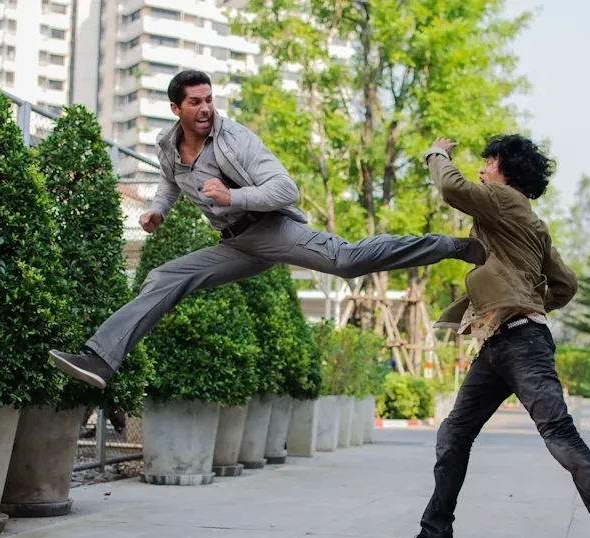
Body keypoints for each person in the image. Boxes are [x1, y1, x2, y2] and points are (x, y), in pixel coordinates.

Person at [48, 70, 486, 389]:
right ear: (176, 109)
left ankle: (451, 246)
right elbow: (169, 184)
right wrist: (158, 211)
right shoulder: (168, 146)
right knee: (164, 277)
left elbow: (285, 189)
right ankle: (101, 359)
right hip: (236, 244)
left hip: (271, 228)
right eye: (195, 102)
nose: (205, 109)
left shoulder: (235, 139)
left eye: (209, 100)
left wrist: (232, 197)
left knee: (347, 261)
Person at [386, 135, 590, 538]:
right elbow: (565, 284)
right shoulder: (532, 221)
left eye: (488, 162)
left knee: (560, 436)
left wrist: (436, 153)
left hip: (522, 345)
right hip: (499, 343)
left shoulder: (502, 199)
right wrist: (529, 300)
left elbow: (451, 188)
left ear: (505, 170)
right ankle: (436, 534)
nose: (482, 170)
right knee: (454, 433)